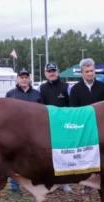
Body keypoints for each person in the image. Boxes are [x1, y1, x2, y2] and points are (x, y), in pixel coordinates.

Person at [69, 58, 104, 194]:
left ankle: (101, 181)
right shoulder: (75, 89)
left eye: (92, 71)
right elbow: (74, 110)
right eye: (87, 71)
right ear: (82, 73)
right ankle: (87, 183)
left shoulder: (102, 87)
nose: (90, 74)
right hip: (84, 128)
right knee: (86, 156)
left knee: (102, 155)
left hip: (101, 126)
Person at [5, 68, 43, 194]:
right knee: (15, 158)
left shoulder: (37, 94)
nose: (24, 79)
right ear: (17, 79)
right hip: (16, 132)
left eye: (26, 77)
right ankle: (15, 186)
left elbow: (42, 112)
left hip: (33, 131)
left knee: (34, 157)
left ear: (30, 79)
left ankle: (34, 184)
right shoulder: (11, 94)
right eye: (22, 77)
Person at [39, 62, 73, 193]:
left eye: (53, 71)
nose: (51, 73)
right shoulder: (41, 88)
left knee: (64, 155)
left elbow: (72, 107)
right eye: (49, 71)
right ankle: (50, 182)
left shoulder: (66, 87)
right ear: (45, 74)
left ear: (57, 72)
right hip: (48, 126)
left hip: (64, 127)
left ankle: (64, 182)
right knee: (48, 155)